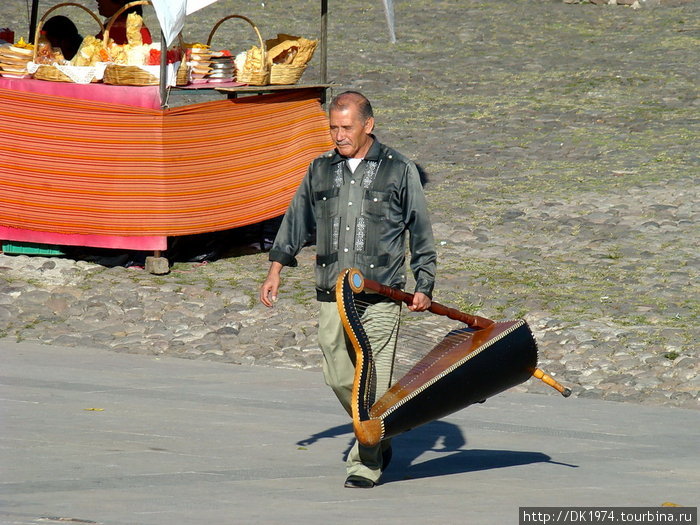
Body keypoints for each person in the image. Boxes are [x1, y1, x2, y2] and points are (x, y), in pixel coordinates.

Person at [260, 91, 437, 488]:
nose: (338, 136)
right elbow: (295, 221)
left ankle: (366, 462)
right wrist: (275, 271)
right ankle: (379, 429)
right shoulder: (320, 169)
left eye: (346, 128)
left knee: (370, 383)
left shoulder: (399, 169)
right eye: (333, 128)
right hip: (332, 293)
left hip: (383, 295)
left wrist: (424, 282)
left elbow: (420, 230)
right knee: (339, 378)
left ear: (367, 125)